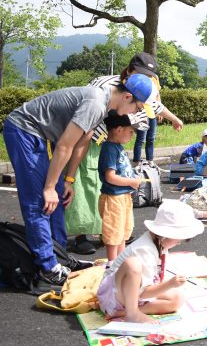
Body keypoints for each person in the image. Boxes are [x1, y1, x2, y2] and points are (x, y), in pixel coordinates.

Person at [2, 74, 156, 285]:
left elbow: (80, 144)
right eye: (137, 108)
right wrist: (48, 187)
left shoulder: (104, 108)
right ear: (128, 96)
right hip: (23, 129)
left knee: (57, 197)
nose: (135, 112)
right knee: (39, 200)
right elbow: (65, 145)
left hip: (42, 134)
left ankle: (59, 256)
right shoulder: (95, 102)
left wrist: (68, 180)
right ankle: (48, 266)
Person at [66, 52, 184, 255]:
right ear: (129, 70)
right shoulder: (105, 84)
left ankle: (107, 232)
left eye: (149, 77)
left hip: (107, 141)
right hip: (87, 136)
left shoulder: (140, 89)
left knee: (102, 187)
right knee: (85, 184)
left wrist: (174, 119)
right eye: (140, 74)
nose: (144, 79)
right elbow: (86, 109)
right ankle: (79, 235)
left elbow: (156, 105)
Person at [96, 200, 204, 323]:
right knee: (132, 264)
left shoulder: (159, 243)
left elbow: (152, 280)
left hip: (132, 293)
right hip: (114, 297)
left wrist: (168, 285)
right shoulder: (144, 249)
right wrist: (170, 284)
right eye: (179, 237)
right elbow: (143, 293)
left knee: (178, 298)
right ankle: (132, 313)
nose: (180, 241)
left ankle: (124, 312)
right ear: (164, 234)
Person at [98, 113, 142, 261]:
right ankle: (112, 265)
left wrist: (132, 179)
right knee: (113, 234)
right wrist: (131, 182)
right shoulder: (109, 149)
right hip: (113, 198)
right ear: (118, 129)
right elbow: (110, 177)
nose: (132, 135)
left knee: (123, 232)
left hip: (123, 196)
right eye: (130, 131)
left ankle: (120, 261)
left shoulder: (118, 147)